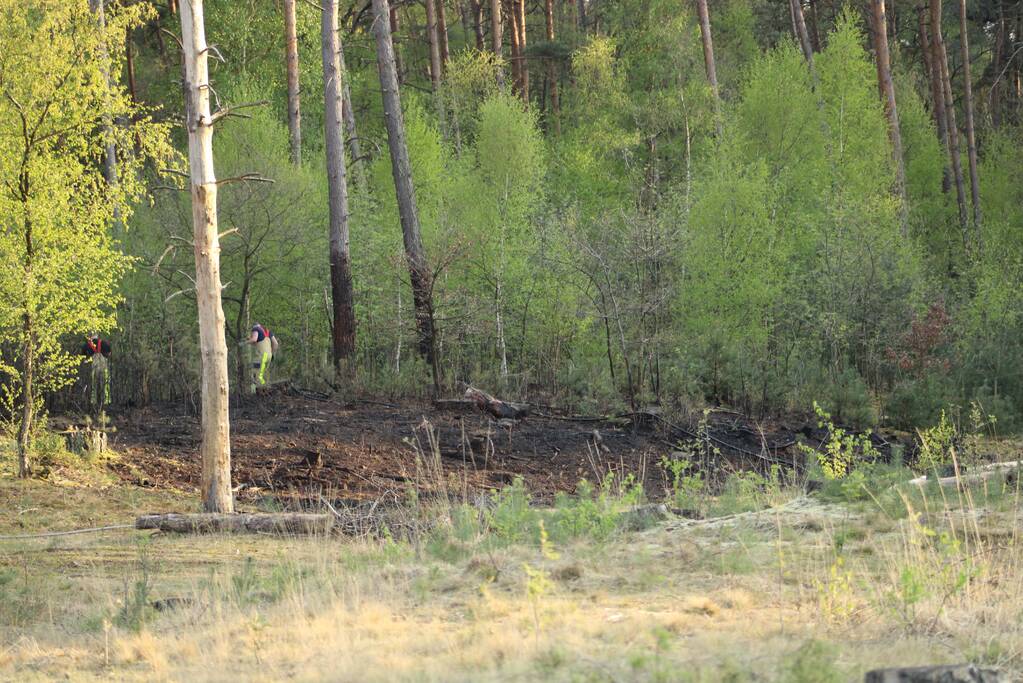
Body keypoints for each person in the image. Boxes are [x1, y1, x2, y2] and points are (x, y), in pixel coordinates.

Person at [244, 322, 279, 392]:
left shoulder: (256, 329)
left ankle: (253, 392)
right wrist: (272, 353)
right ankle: (266, 390)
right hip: (268, 356)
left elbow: (254, 339)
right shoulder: (268, 332)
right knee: (264, 374)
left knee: (254, 373)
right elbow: (276, 344)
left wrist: (244, 342)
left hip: (261, 356)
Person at [81, 333, 112, 411]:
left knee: (93, 384)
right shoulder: (104, 343)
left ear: (89, 336)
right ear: (97, 335)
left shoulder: (86, 345)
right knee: (105, 383)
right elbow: (109, 353)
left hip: (93, 367)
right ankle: (106, 401)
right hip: (104, 366)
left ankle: (93, 401)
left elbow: (82, 357)